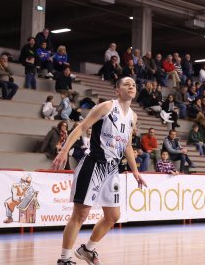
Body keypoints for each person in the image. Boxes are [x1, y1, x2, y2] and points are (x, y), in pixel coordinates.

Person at [52, 77, 146, 265]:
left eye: (134, 84)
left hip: (112, 169)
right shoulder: (106, 107)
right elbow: (81, 127)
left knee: (113, 216)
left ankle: (87, 249)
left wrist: (135, 170)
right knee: (80, 214)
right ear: (118, 90)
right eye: (127, 84)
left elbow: (127, 145)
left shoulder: (133, 117)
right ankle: (64, 259)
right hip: (94, 163)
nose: (131, 86)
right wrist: (64, 150)